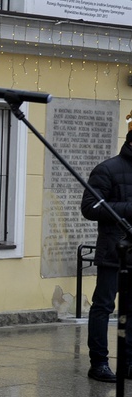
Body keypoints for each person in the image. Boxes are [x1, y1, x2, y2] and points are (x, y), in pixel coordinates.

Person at [81, 115, 132, 383]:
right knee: (103, 306)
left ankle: (129, 363)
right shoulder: (107, 169)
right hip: (114, 251)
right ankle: (99, 363)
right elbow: (89, 207)